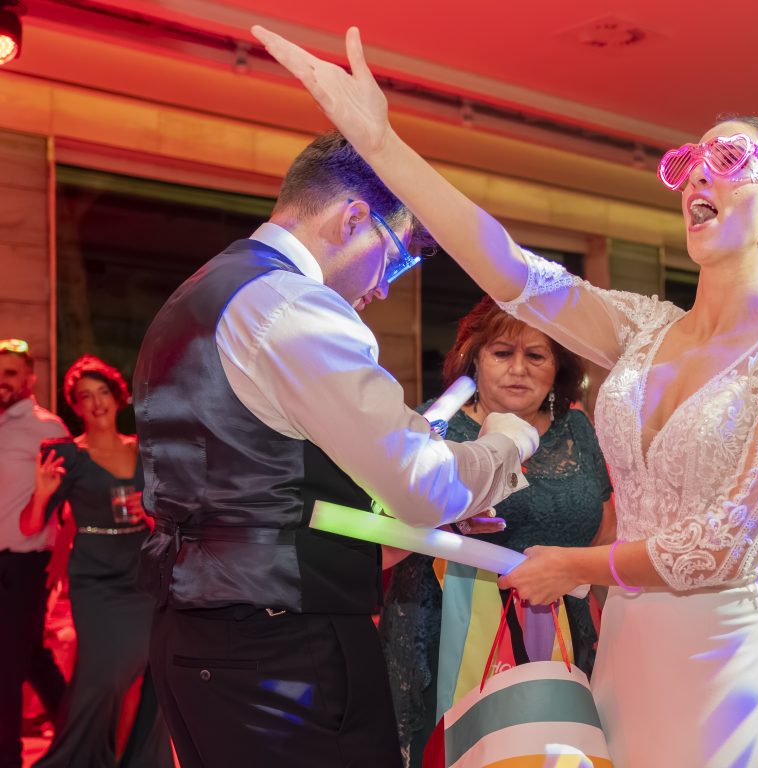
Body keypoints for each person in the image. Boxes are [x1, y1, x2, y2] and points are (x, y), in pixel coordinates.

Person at [251, 26, 758, 766]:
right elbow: (508, 268)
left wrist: (575, 566)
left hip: (725, 649)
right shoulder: (644, 328)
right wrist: (381, 144)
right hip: (631, 635)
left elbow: (728, 545)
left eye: (727, 160)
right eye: (688, 164)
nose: (698, 178)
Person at [132, 131, 539, 768]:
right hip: (282, 645)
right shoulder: (295, 307)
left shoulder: (197, 296)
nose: (384, 287)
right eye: (396, 260)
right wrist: (507, 443)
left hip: (193, 632)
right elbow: (422, 484)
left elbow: (260, 476)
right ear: (353, 219)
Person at [379, 297, 613, 767]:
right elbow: (384, 534)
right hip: (447, 634)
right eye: (502, 353)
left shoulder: (579, 430)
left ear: (558, 367)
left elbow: (605, 535)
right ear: (474, 359)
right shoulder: (433, 426)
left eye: (536, 355)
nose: (518, 369)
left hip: (564, 636)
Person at [20, 355, 171, 768]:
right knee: (102, 677)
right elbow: (30, 525)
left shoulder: (145, 450)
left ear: (118, 397)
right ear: (76, 406)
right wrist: (41, 493)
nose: (97, 402)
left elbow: (172, 516)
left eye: (102, 392)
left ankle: (143, 761)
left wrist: (151, 515)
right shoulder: (67, 455)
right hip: (96, 579)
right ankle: (75, 759)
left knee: (151, 672)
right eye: (85, 396)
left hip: (143, 574)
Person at [0, 339, 69, 768]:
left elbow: (70, 499)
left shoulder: (47, 428)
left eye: (10, 372)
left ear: (30, 378)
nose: (2, 380)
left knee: (8, 667)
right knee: (30, 658)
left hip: (23, 563)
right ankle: (81, 737)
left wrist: (61, 557)